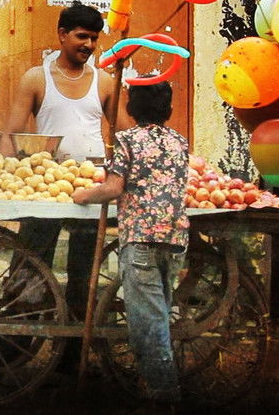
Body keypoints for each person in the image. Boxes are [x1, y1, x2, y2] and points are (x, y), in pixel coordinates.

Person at [0, 1, 128, 370]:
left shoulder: (104, 82)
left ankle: (71, 359)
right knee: (28, 267)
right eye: (81, 36)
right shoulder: (36, 79)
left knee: (84, 274)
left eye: (94, 39)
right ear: (62, 35)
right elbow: (10, 134)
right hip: (47, 186)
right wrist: (9, 177)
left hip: (90, 186)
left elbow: (125, 133)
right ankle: (7, 354)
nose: (89, 45)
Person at [72, 79, 189, 404]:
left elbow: (113, 188)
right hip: (175, 238)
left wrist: (83, 195)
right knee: (159, 314)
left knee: (148, 324)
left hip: (142, 240)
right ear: (168, 109)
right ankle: (156, 387)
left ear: (132, 108)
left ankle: (164, 396)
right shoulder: (180, 142)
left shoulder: (126, 140)